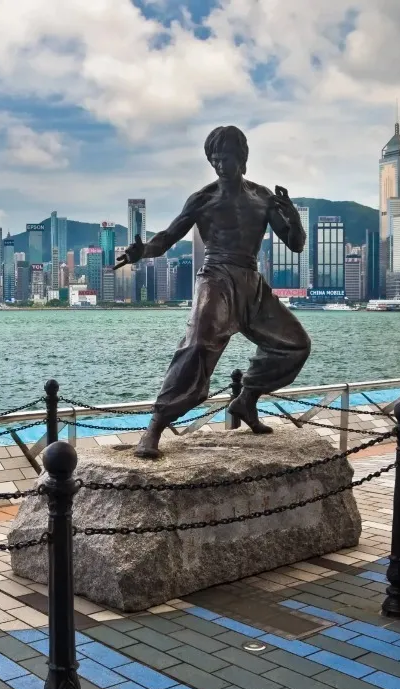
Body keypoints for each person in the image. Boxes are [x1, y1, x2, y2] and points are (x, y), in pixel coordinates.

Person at [115, 125, 311, 458]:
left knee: (295, 345)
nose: (221, 165)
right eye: (215, 159)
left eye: (227, 158)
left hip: (250, 282)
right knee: (195, 350)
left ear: (242, 158)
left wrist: (293, 217)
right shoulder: (203, 199)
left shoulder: (263, 198)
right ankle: (155, 427)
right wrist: (141, 251)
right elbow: (166, 239)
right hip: (216, 279)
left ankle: (245, 401)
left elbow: (295, 245)